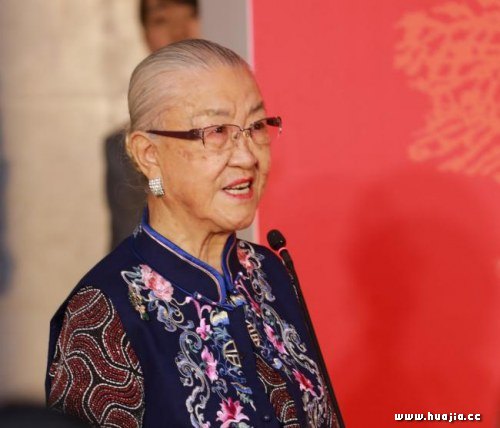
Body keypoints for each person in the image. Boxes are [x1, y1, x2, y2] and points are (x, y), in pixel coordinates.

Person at [46, 39, 341, 427]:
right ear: (149, 154)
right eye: (216, 131)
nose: (247, 156)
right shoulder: (103, 313)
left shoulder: (268, 271)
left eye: (256, 127)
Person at [105, 0, 199, 250]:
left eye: (190, 15)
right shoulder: (126, 148)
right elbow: (130, 244)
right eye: (161, 21)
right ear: (145, 34)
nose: (178, 31)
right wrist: (157, 187)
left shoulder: (244, 129)